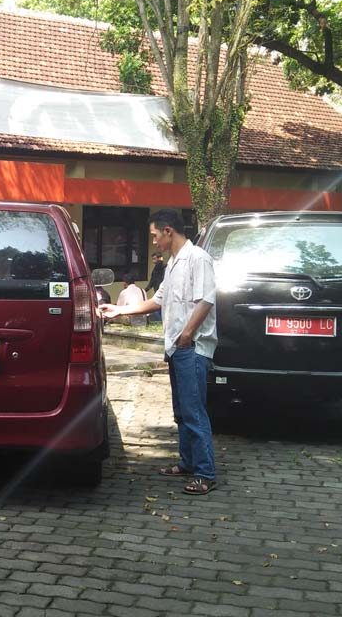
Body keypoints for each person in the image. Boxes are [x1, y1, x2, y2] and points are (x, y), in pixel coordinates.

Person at [99, 209, 218, 495]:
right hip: (177, 347)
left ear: (168, 231)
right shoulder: (174, 263)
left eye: (154, 235)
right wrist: (119, 310)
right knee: (181, 412)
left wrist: (187, 335)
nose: (153, 241)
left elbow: (206, 301)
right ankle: (187, 463)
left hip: (192, 347)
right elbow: (157, 301)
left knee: (194, 412)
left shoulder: (198, 258)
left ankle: (205, 473)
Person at [145, 254, 166, 323]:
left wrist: (145, 290)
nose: (153, 261)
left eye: (154, 258)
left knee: (158, 307)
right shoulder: (165, 267)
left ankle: (160, 321)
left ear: (159, 258)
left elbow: (152, 281)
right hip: (161, 290)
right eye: (153, 259)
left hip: (160, 290)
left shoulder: (158, 268)